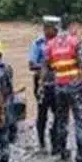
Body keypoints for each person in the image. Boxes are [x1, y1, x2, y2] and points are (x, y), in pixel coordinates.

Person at [44, 19, 82, 162]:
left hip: (59, 86)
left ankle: (63, 152)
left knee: (62, 120)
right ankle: (81, 154)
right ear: (70, 27)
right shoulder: (75, 42)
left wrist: (42, 85)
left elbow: (47, 66)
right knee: (79, 119)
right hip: (75, 86)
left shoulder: (50, 44)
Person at [29, 16, 56, 152]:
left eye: (49, 27)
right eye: (45, 27)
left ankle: (56, 141)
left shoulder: (62, 43)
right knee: (42, 113)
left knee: (59, 113)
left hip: (59, 82)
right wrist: (47, 66)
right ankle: (41, 143)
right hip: (42, 83)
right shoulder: (38, 44)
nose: (46, 30)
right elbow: (32, 65)